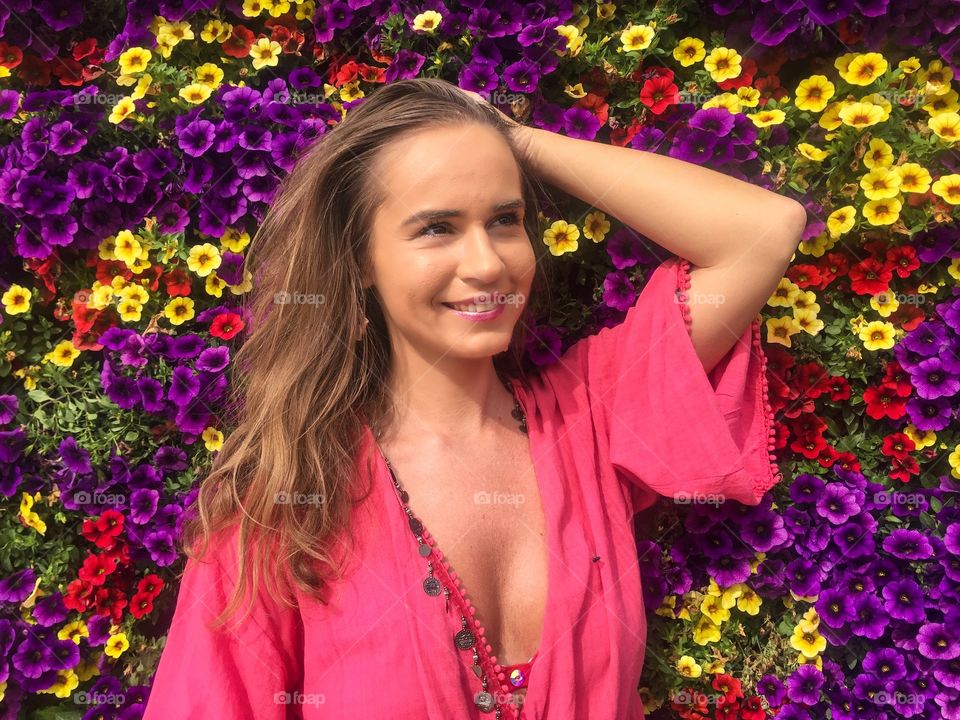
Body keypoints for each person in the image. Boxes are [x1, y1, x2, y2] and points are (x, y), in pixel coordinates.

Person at [142, 77, 807, 719]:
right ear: (358, 264)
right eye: (437, 228)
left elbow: (764, 229)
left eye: (505, 220)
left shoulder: (593, 416)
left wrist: (511, 139)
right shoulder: (287, 506)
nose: (487, 263)